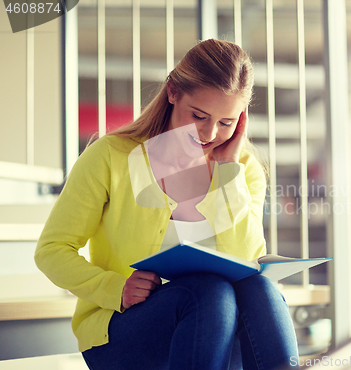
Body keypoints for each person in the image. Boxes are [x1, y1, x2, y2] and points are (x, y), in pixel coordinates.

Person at [34, 39, 299, 369]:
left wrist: (228, 171)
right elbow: (52, 249)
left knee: (259, 287)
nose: (209, 132)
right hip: (125, 332)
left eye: (226, 122)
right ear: (173, 92)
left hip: (217, 335)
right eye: (199, 115)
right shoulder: (110, 157)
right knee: (207, 293)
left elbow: (246, 262)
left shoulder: (243, 170)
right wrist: (114, 288)